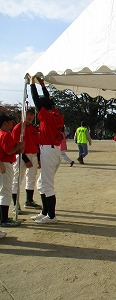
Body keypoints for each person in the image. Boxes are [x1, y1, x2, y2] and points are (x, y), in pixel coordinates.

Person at [29, 75, 64, 224]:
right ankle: (45, 212)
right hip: (53, 150)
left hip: (48, 151)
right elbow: (45, 100)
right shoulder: (55, 113)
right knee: (41, 183)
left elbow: (37, 100)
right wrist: (42, 85)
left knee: (47, 184)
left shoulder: (47, 116)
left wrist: (32, 84)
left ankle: (51, 216)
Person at [11, 107, 41, 213]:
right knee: (17, 179)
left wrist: (39, 158)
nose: (30, 117)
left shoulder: (33, 128)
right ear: (22, 115)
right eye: (28, 114)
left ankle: (29, 200)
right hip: (22, 155)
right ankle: (15, 203)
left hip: (33, 154)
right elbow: (16, 145)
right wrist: (25, 158)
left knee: (31, 178)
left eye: (32, 115)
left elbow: (37, 143)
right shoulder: (18, 128)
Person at [0, 114, 25, 228]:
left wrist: (17, 149)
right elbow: (9, 151)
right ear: (5, 123)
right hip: (5, 163)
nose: (12, 124)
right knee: (6, 191)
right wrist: (17, 146)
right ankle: (4, 218)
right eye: (10, 122)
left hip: (5, 162)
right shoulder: (5, 135)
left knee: (4, 190)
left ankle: (3, 217)